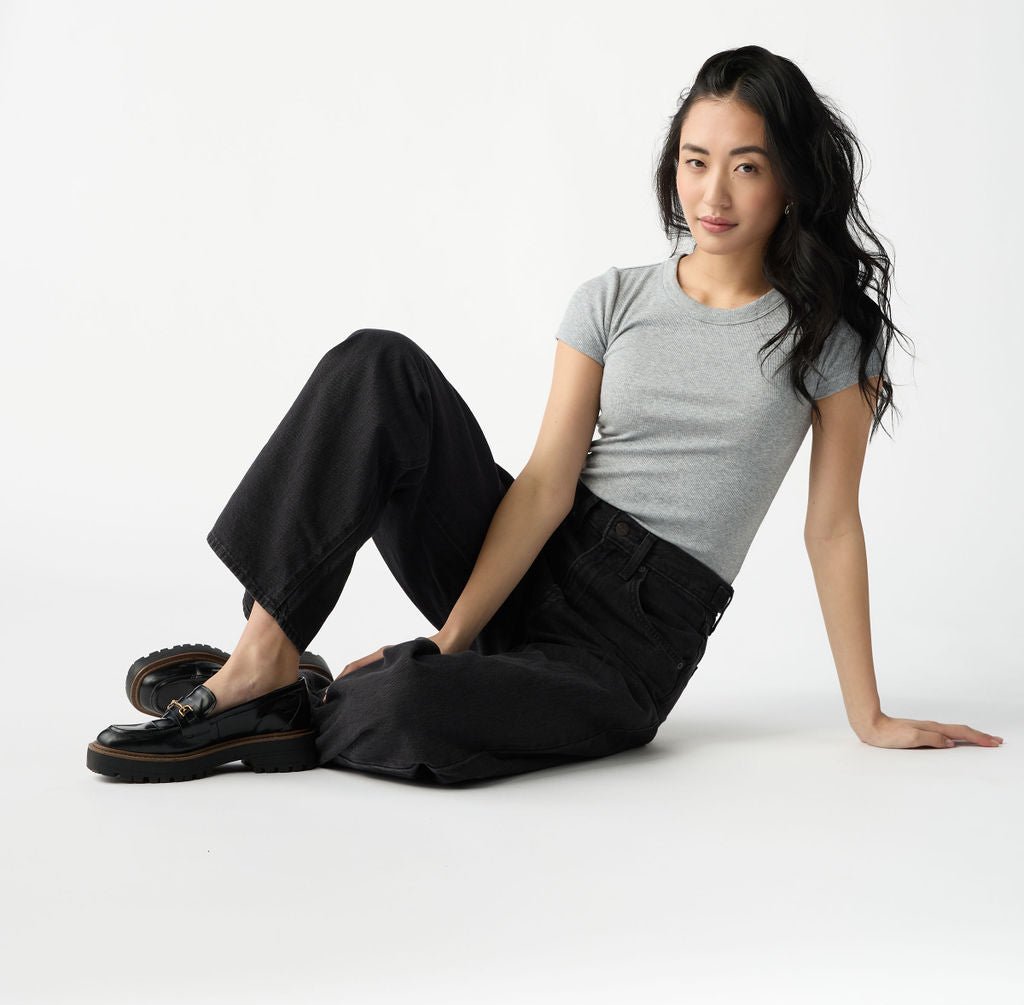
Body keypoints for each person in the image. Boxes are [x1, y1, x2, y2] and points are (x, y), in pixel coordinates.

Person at [86, 45, 1003, 784]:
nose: (713, 195)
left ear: (790, 182)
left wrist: (868, 714)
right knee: (379, 366)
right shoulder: (611, 298)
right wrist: (450, 639)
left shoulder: (828, 337)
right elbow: (545, 483)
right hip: (534, 552)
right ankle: (261, 662)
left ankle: (309, 697)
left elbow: (832, 526)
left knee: (404, 715)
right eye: (695, 162)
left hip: (628, 643)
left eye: (746, 167)